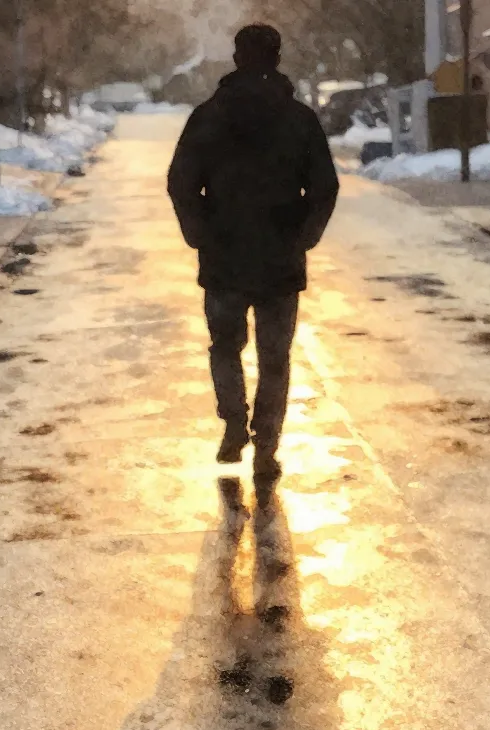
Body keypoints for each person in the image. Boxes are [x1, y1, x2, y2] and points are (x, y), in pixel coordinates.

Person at [167, 23, 340, 479]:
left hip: (223, 256)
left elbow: (181, 181)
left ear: (237, 58)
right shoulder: (299, 120)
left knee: (225, 346)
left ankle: (232, 423)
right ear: (277, 58)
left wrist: (199, 231)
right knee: (274, 357)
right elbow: (324, 187)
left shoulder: (208, 117)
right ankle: (267, 442)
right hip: (280, 257)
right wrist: (304, 235)